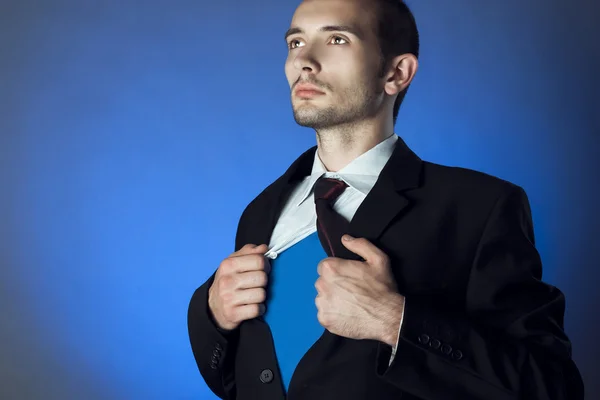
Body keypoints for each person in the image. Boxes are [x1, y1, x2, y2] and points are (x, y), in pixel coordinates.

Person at [187, 0, 584, 398]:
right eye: (295, 43)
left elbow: (553, 387)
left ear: (397, 73)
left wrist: (395, 322)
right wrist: (213, 315)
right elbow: (239, 382)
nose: (304, 61)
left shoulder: (480, 209)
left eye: (336, 39)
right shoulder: (259, 212)